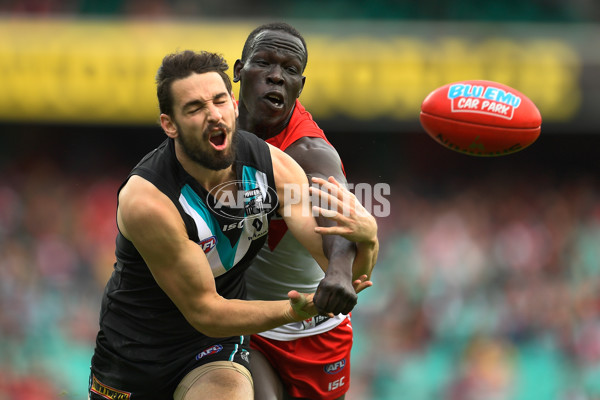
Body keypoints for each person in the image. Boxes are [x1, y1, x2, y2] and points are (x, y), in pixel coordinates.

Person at [88, 50, 377, 400]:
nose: (213, 115)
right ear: (170, 124)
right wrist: (292, 310)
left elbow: (340, 271)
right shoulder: (148, 200)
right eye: (195, 108)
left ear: (235, 106)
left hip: (211, 349)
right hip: (134, 358)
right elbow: (205, 310)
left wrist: (368, 241)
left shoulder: (273, 167)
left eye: (220, 101)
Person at [233, 23, 379, 400]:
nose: (276, 76)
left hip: (315, 327)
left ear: (300, 85)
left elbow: (339, 220)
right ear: (238, 71)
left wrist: (339, 273)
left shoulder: (310, 151)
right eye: (263, 63)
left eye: (290, 70)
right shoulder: (215, 131)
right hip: (247, 321)